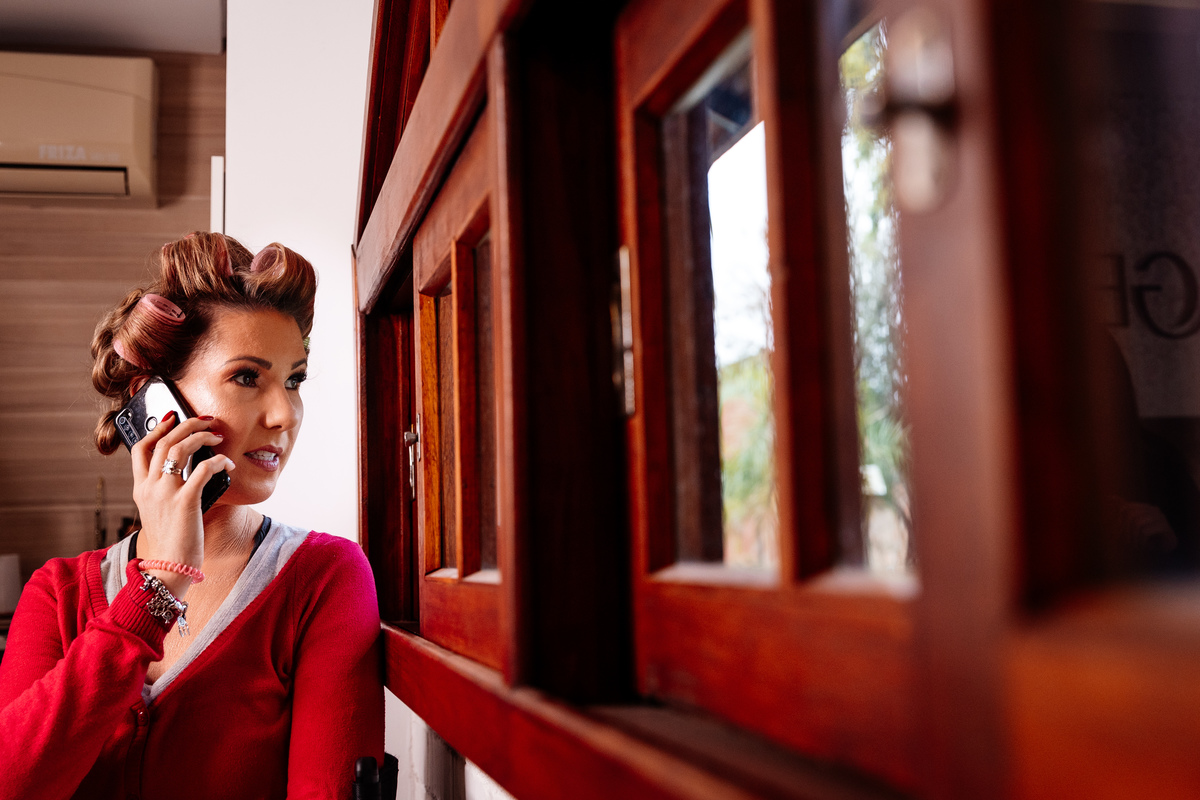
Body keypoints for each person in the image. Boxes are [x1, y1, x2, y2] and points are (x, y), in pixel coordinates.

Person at [0, 232, 384, 798]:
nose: (284, 414)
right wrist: (156, 588)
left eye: (294, 380)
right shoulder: (56, 595)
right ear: (155, 402)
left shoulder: (325, 578)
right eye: (248, 377)